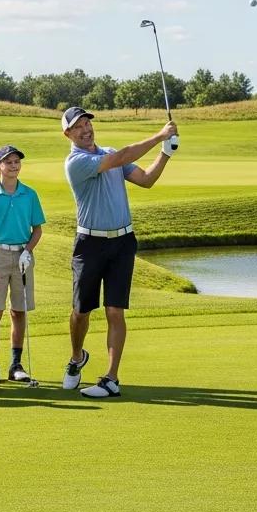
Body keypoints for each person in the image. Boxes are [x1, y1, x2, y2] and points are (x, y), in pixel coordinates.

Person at [61, 106, 178, 399]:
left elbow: (146, 179)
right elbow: (121, 157)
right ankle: (77, 357)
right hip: (89, 244)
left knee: (115, 310)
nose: (86, 130)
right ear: (68, 134)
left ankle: (111, 378)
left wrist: (166, 151)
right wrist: (158, 135)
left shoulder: (108, 152)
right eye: (78, 127)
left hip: (122, 242)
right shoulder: (76, 161)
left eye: (88, 124)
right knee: (81, 311)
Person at [0, 144, 45, 383]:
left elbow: (37, 230)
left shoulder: (30, 194)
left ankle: (16, 364)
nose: (14, 166)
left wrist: (28, 250)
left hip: (23, 257)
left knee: (19, 311)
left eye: (17, 162)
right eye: (9, 162)